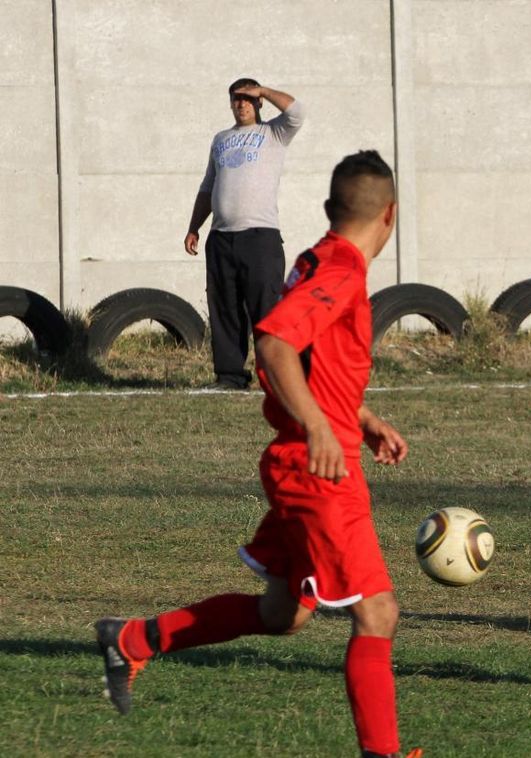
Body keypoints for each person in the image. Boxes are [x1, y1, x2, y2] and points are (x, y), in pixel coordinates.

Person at [97, 151, 422, 758]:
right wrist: (323, 430)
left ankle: (132, 640)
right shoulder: (342, 272)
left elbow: (311, 364)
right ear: (392, 216)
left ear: (330, 210)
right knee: (378, 613)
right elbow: (273, 342)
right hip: (319, 468)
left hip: (304, 458)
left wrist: (362, 418)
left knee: (283, 615)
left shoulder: (316, 260)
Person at [185, 78, 306, 390]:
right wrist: (193, 227)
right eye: (236, 99)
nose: (241, 104)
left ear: (258, 103)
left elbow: (297, 111)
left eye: (247, 98)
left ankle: (275, 377)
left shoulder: (273, 133)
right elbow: (207, 187)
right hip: (222, 236)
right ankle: (230, 376)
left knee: (266, 310)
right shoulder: (221, 139)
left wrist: (264, 90)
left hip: (260, 237)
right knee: (224, 308)